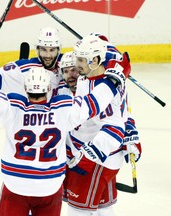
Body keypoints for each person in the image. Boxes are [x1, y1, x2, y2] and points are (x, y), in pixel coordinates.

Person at [0, 52, 131, 216]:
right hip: (50, 186)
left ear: (25, 89)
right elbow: (95, 101)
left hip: (15, 185)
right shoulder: (63, 110)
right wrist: (115, 77)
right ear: (48, 89)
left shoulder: (11, 107)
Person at [63, 34, 142, 216]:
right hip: (96, 153)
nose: (76, 64)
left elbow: (113, 129)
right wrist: (98, 39)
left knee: (77, 209)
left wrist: (87, 158)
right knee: (103, 207)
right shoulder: (104, 69)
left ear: (95, 60)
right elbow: (111, 49)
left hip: (98, 157)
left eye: (81, 60)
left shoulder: (104, 90)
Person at [0, 27, 63, 99]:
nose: (48, 55)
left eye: (52, 50)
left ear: (59, 50)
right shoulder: (23, 69)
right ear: (37, 50)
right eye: (43, 49)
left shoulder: (67, 64)